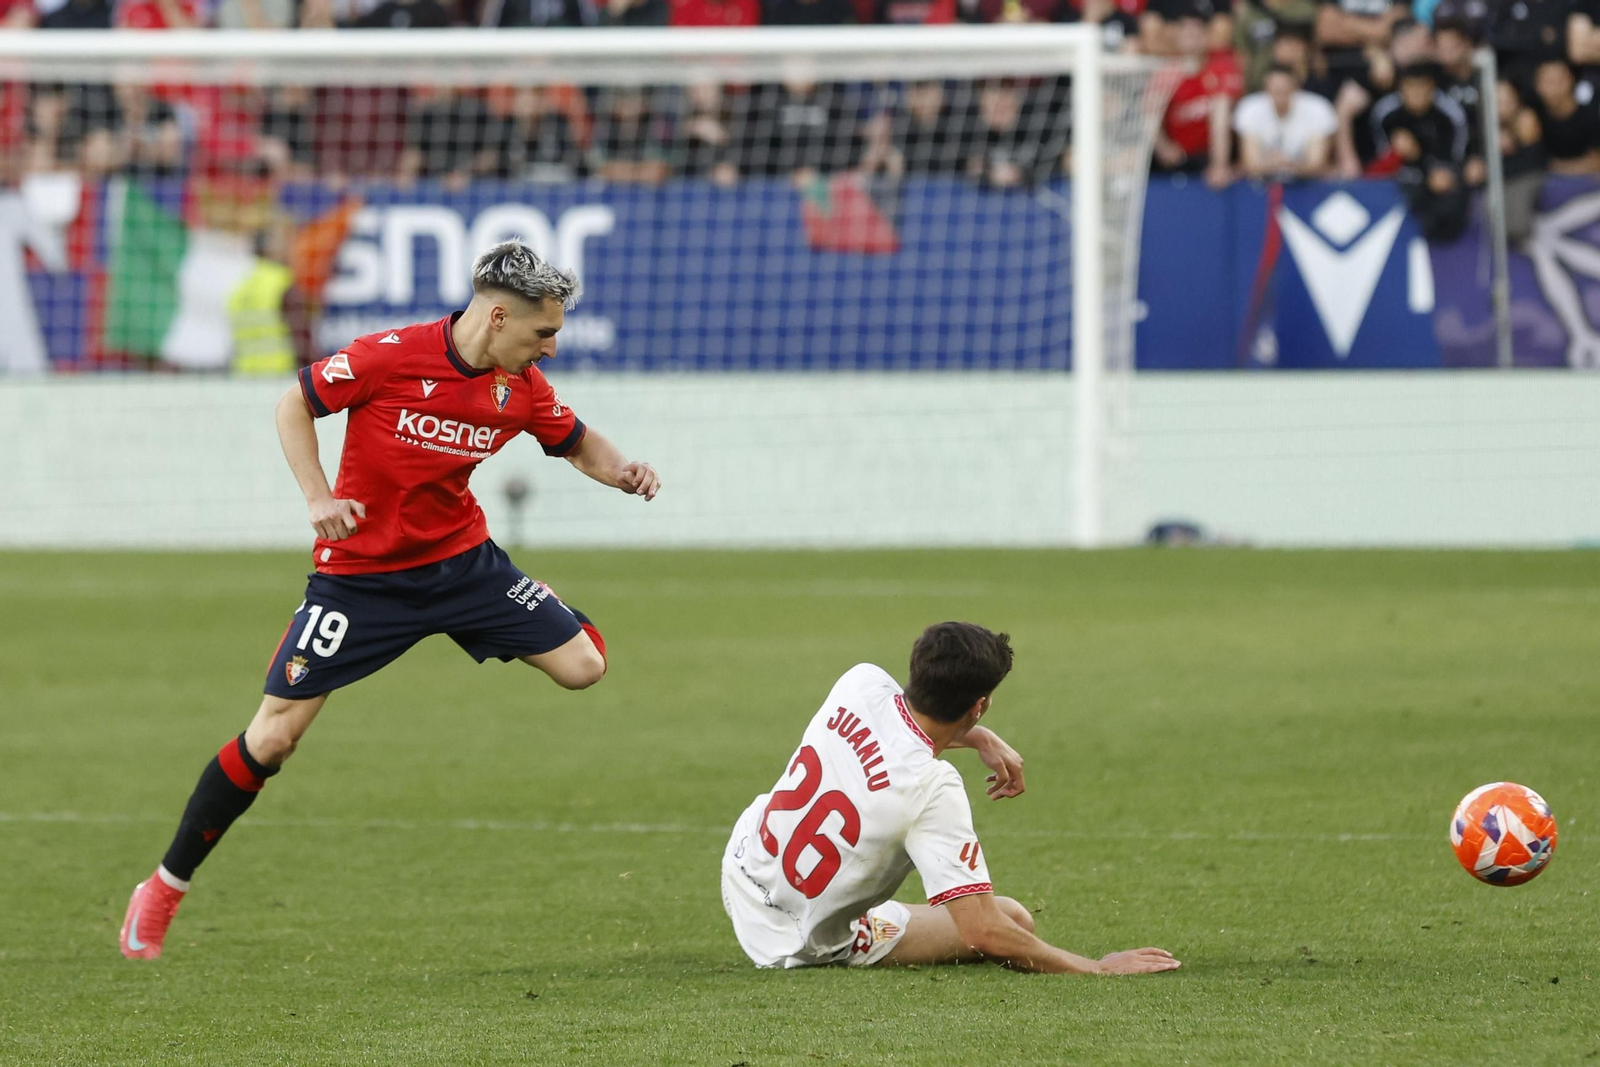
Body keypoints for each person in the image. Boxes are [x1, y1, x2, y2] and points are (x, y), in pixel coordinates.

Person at [119, 240, 662, 960]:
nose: (551, 348)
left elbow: (576, 441)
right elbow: (293, 405)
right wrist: (318, 496)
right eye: (543, 332)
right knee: (274, 736)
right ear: (498, 317)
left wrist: (622, 471)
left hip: (465, 568)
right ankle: (163, 886)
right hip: (360, 580)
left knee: (586, 665)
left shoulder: (519, 386)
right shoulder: (389, 355)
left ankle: (540, 603)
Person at [721, 622, 1182, 975]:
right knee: (1012, 920)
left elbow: (899, 727)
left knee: (1006, 916)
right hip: (791, 941)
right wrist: (1098, 967)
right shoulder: (932, 786)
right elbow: (982, 930)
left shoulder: (858, 683)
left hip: (741, 869)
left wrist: (977, 737)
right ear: (978, 703)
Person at [1233, 62, 1339, 178]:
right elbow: (1250, 163)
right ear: (1266, 87)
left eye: (1285, 90)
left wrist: (1290, 165)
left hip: (1309, 185)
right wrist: (1273, 164)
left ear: (1295, 87)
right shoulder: (1249, 108)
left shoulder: (1318, 108)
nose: (1280, 96)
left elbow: (1317, 162)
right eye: (1275, 90)